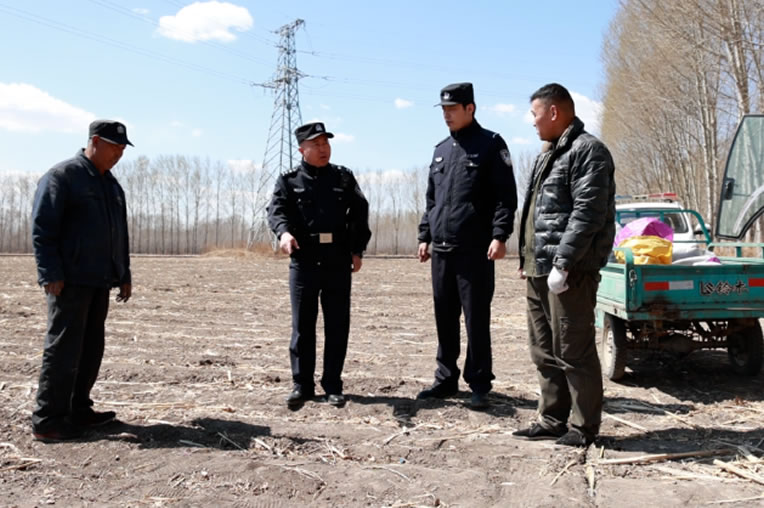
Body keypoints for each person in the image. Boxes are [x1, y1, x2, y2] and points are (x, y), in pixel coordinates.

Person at [513, 83, 615, 447]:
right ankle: (551, 418)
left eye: (535, 114)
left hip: (570, 271)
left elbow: (587, 212)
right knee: (543, 349)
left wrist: (564, 262)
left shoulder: (588, 151)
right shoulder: (548, 154)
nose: (533, 122)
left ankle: (584, 426)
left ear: (554, 112)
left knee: (573, 348)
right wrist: (527, 257)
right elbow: (537, 213)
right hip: (539, 268)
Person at [31, 119, 133, 442]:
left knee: (90, 349)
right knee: (63, 348)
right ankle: (48, 419)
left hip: (99, 279)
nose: (119, 154)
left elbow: (119, 233)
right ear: (95, 142)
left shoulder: (112, 186)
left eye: (122, 149)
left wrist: (124, 273)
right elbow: (42, 228)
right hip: (69, 280)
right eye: (114, 147)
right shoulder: (63, 177)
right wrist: (50, 272)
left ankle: (78, 409)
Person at [417, 83, 517, 409]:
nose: (446, 115)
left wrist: (500, 235)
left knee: (476, 319)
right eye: (443, 109)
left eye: (452, 109)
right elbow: (432, 200)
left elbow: (505, 196)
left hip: (474, 250)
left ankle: (479, 383)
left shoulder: (490, 144)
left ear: (469, 109)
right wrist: (425, 236)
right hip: (442, 250)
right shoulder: (440, 150)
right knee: (444, 318)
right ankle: (445, 379)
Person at [267, 121, 371, 409]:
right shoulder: (289, 181)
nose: (324, 149)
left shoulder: (343, 178)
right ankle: (302, 385)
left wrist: (357, 249)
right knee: (303, 325)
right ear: (302, 149)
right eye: (316, 144)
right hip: (304, 260)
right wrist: (283, 233)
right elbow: (276, 211)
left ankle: (333, 385)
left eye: (326, 143)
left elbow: (360, 213)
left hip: (337, 259)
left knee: (337, 324)